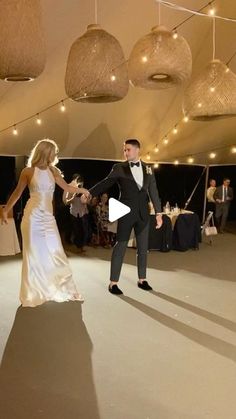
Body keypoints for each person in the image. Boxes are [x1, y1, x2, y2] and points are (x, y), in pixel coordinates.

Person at [1, 139, 90, 307]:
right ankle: (34, 292)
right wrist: (6, 210)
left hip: (49, 219)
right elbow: (17, 193)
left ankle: (62, 288)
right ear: (45, 152)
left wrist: (82, 190)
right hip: (32, 217)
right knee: (34, 255)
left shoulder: (54, 170)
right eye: (54, 152)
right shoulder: (28, 171)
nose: (55, 156)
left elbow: (67, 188)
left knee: (56, 251)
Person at [82, 138, 162, 295]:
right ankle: (113, 282)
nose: (125, 153)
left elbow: (154, 191)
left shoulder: (148, 169)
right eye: (124, 150)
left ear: (138, 150)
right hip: (125, 213)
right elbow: (106, 183)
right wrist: (89, 193)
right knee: (120, 246)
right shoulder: (119, 167)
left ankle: (142, 279)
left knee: (143, 248)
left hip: (143, 214)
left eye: (128, 150)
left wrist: (159, 213)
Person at [65, 176, 89, 253]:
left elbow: (87, 202)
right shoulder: (72, 190)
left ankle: (82, 246)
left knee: (84, 230)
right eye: (79, 183)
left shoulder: (85, 191)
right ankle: (79, 246)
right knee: (77, 231)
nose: (80, 185)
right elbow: (67, 202)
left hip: (83, 213)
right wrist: (73, 196)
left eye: (81, 183)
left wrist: (86, 198)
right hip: (74, 213)